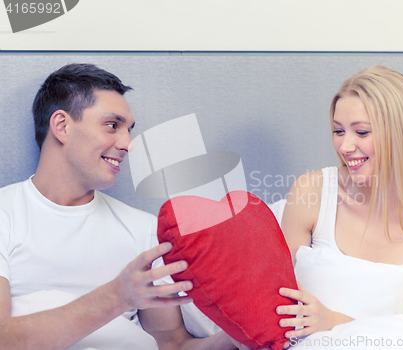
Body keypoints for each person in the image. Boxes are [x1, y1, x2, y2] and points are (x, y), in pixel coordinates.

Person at [0, 63, 243, 350]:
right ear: (62, 126)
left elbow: (172, 343)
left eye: (128, 130)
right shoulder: (7, 215)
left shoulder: (145, 232)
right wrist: (116, 297)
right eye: (112, 126)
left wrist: (239, 335)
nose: (128, 144)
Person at [274, 65, 403, 339]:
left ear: (401, 135)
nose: (345, 147)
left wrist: (335, 322)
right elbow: (276, 301)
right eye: (338, 131)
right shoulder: (310, 191)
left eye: (361, 133)